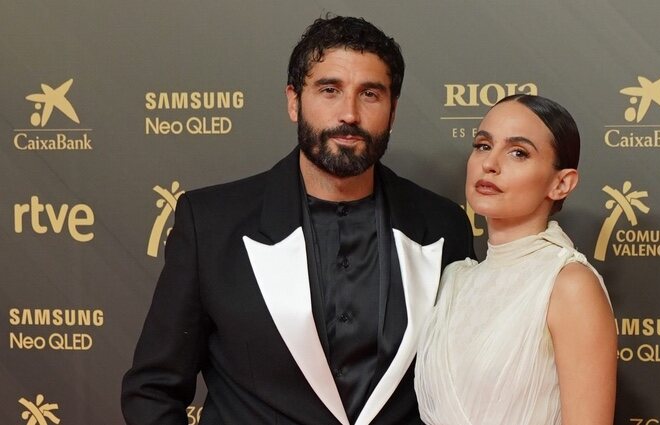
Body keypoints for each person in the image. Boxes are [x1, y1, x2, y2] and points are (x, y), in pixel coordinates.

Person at [121, 15, 475, 425]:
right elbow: (152, 390)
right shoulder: (211, 223)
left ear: (393, 110)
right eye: (329, 90)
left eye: (371, 95)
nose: (349, 114)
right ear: (294, 101)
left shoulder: (444, 225)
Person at [415, 94, 617, 425]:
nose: (490, 163)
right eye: (482, 145)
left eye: (518, 152)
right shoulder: (455, 279)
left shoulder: (568, 284)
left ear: (561, 183)